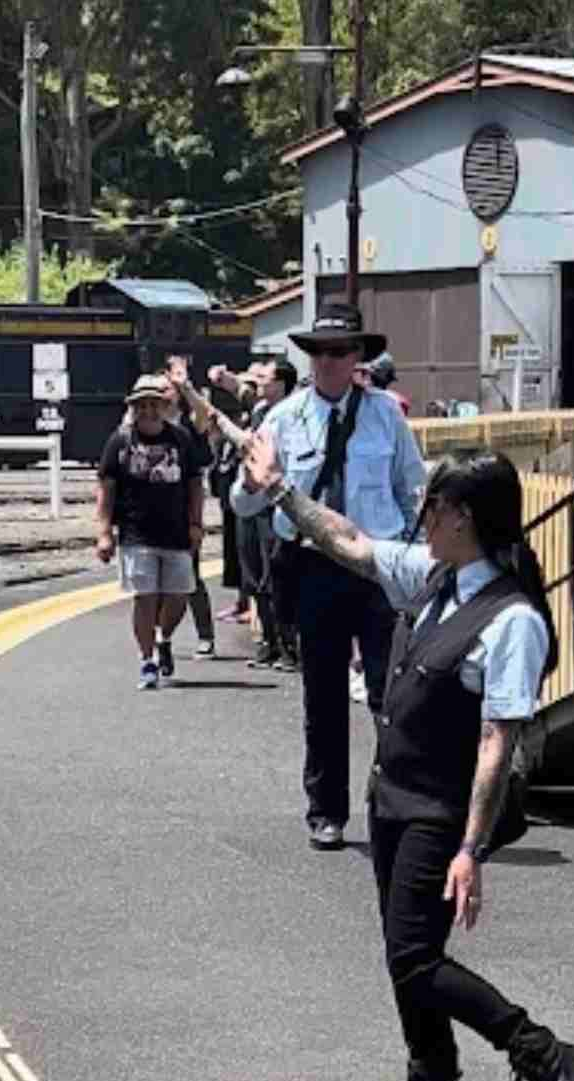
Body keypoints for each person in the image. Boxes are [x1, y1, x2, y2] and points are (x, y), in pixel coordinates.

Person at [238, 436, 574, 1081]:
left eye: (431, 504)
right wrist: (281, 490)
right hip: (395, 797)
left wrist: (471, 849)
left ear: (463, 517)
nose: (420, 514)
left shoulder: (512, 622)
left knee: (412, 957)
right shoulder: (435, 577)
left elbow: (497, 743)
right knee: (408, 952)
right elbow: (347, 541)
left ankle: (550, 1056)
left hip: (444, 811)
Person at [232, 301, 426, 850]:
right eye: (318, 352)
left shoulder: (387, 415)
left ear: (358, 357)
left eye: (339, 352)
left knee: (393, 691)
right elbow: (244, 504)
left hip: (375, 562)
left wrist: (415, 561)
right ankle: (326, 809)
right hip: (313, 567)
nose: (328, 362)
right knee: (323, 694)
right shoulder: (284, 419)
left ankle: (398, 799)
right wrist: (252, 483)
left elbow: (411, 491)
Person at [96, 375, 204, 689]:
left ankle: (163, 637)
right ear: (134, 408)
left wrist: (196, 524)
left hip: (177, 534)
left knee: (179, 597)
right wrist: (104, 532)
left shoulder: (181, 439)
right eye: (142, 405)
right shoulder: (120, 440)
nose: (148, 411)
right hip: (135, 534)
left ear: (164, 407)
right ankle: (147, 660)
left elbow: (196, 484)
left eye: (154, 405)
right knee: (145, 598)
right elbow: (106, 487)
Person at [216, 357, 300, 670]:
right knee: (254, 575)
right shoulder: (260, 408)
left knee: (277, 575)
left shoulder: (292, 415)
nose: (257, 382)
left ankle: (289, 644)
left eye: (264, 377)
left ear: (281, 383)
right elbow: (238, 388)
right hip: (250, 499)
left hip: (276, 505)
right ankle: (268, 643)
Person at [161, 357, 216, 661]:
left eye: (170, 388)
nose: (166, 393)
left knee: (189, 575)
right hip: (152, 508)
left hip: (184, 506)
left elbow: (205, 414)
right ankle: (160, 638)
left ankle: (205, 635)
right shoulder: (145, 418)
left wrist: (187, 386)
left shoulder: (189, 419)